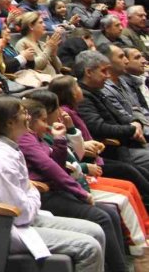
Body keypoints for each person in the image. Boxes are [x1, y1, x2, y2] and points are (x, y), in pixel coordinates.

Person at [0, 95, 105, 272]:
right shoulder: (0, 160)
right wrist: (33, 193)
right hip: (3, 229)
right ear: (10, 123)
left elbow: (26, 198)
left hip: (21, 219)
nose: (28, 117)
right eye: (23, 113)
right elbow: (21, 214)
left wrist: (30, 193)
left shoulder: (10, 148)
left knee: (96, 231)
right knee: (88, 247)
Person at [18, 97, 129, 272]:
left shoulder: (36, 137)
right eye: (43, 121)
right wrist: (81, 192)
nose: (47, 125)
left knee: (110, 213)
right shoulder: (25, 139)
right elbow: (50, 168)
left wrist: (59, 140)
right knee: (101, 217)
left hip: (56, 190)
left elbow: (57, 163)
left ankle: (117, 267)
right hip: (44, 195)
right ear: (29, 120)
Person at [51, 74, 149, 202]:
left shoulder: (73, 110)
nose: (81, 90)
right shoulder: (65, 113)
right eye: (77, 87)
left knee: (139, 171)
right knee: (128, 170)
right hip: (88, 160)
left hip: (96, 155)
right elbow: (73, 141)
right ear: (73, 94)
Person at [74, 50, 149, 184]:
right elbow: (99, 128)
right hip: (113, 150)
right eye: (104, 71)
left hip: (127, 143)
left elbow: (120, 116)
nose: (108, 76)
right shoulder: (82, 96)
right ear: (89, 72)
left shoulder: (96, 91)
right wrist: (132, 129)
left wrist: (136, 122)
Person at [15, 11, 65, 79]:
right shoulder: (22, 43)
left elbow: (59, 68)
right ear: (31, 26)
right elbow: (36, 66)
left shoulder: (42, 44)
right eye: (41, 23)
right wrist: (49, 48)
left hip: (55, 78)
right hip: (41, 81)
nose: (44, 25)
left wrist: (53, 54)